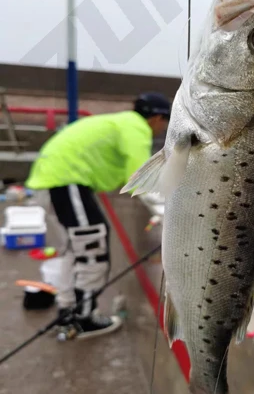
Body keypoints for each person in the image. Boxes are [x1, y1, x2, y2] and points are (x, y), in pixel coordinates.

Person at [25, 92, 172, 338]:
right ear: (157, 118)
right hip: (66, 182)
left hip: (54, 181)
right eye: (164, 122)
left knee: (75, 251)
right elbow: (140, 180)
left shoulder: (120, 122)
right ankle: (82, 320)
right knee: (92, 251)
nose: (162, 128)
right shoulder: (136, 128)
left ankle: (68, 311)